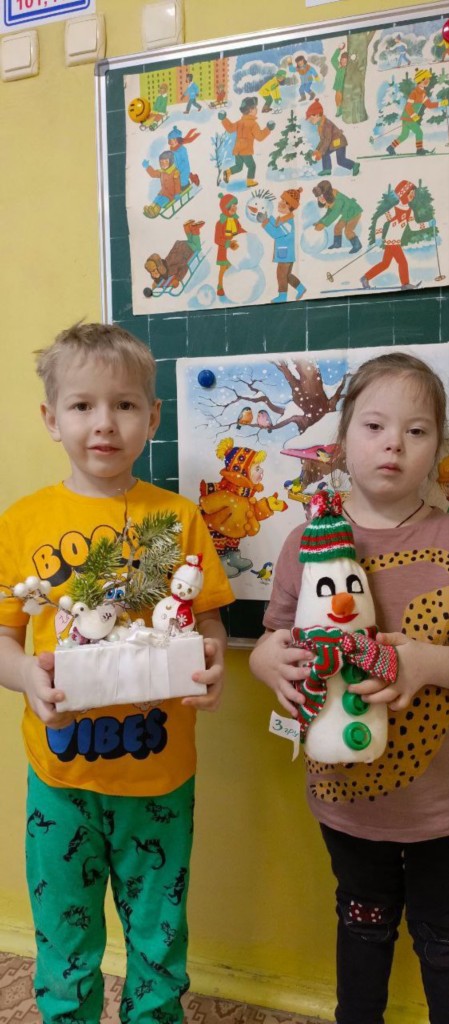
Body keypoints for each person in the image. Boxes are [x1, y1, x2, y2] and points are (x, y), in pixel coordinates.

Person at [0, 322, 235, 1024]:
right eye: (82, 406)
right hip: (60, 778)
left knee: (159, 939)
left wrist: (213, 660)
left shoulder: (176, 520)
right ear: (52, 419)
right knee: (64, 939)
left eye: (125, 405)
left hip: (159, 776)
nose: (104, 423)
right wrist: (26, 677)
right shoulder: (22, 523)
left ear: (152, 418)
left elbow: (208, 623)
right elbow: (4, 639)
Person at [249, 351, 449, 1024]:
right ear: (340, 442)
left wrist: (427, 665)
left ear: (437, 448)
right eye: (374, 426)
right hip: (347, 799)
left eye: (416, 430)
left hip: (441, 805)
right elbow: (275, 639)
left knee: (443, 941)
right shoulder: (306, 543)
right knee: (362, 928)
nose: (393, 443)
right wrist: (267, 664)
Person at [361, 178, 435, 291]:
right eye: (411, 193)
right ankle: (405, 284)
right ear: (404, 194)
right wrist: (378, 237)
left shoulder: (409, 211)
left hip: (395, 242)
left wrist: (428, 224)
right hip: (392, 242)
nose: (413, 195)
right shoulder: (395, 210)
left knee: (385, 264)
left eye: (413, 193)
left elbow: (414, 226)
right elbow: (380, 220)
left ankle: (365, 278)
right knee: (402, 262)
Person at [257, 187, 306, 302]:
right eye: (282, 200)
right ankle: (301, 288)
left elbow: (276, 233)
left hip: (285, 254)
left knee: (281, 275)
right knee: (287, 275)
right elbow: (276, 224)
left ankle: (282, 296)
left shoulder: (288, 222)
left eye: (285, 202)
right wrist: (268, 219)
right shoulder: (284, 219)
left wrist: (265, 222)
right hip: (285, 253)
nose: (281, 203)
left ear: (290, 207)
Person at [386, 68, 448, 156]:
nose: (427, 81)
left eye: (428, 79)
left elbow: (429, 105)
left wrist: (441, 103)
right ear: (420, 80)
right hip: (408, 117)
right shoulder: (414, 93)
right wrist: (413, 115)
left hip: (407, 117)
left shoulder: (423, 93)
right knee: (419, 132)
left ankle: (390, 147)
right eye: (425, 79)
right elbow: (408, 107)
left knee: (404, 135)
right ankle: (419, 150)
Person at [219, 96, 275, 188]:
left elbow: (230, 128)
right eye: (255, 108)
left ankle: (228, 172)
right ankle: (249, 181)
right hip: (246, 150)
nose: (257, 110)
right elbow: (260, 137)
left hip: (237, 150)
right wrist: (268, 129)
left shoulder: (240, 122)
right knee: (252, 166)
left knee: (239, 167)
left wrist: (224, 119)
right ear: (251, 110)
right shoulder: (253, 124)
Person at [305, 99, 360, 176]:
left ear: (317, 115)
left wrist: (320, 152)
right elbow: (322, 140)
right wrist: (317, 150)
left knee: (340, 160)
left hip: (339, 142)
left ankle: (354, 165)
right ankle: (327, 169)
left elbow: (327, 140)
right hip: (333, 143)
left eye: (311, 119)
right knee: (324, 152)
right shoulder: (320, 125)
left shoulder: (326, 124)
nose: (310, 121)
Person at [312, 179, 362, 253]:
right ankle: (337, 244)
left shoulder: (338, 200)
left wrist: (323, 224)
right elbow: (329, 213)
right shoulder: (331, 199)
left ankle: (357, 245)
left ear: (327, 194)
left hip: (353, 212)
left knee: (348, 231)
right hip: (346, 213)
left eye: (322, 196)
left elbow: (334, 214)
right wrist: (320, 222)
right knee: (337, 228)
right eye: (319, 197)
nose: (320, 199)